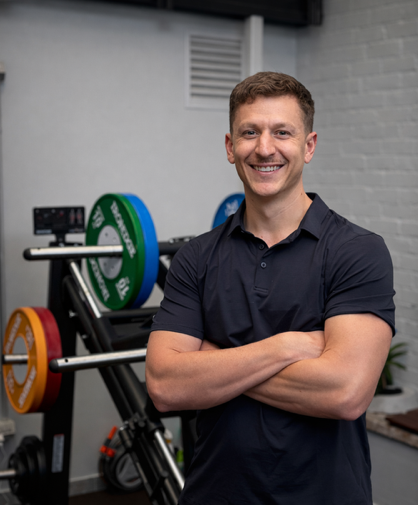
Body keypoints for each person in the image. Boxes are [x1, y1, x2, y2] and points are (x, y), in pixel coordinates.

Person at [145, 72, 395, 505]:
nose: (264, 148)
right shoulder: (196, 258)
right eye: (249, 132)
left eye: (282, 132)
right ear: (230, 147)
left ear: (309, 145)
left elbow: (345, 392)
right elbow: (166, 385)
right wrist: (285, 348)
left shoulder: (357, 251)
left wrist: (211, 362)